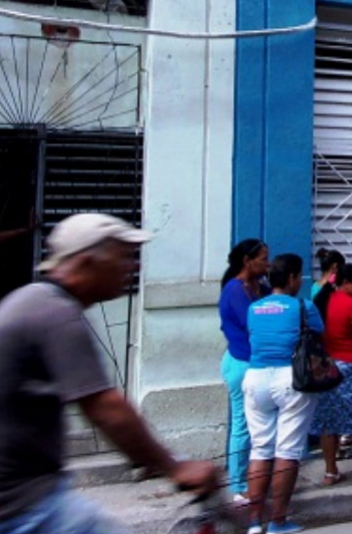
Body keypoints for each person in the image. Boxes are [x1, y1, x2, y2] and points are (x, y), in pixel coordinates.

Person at [0, 214, 218, 534]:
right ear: (88, 262)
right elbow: (107, 409)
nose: (133, 266)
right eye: (124, 256)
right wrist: (176, 467)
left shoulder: (38, 302)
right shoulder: (54, 313)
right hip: (25, 505)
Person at [244, 253, 326, 534]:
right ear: (292, 278)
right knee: (288, 451)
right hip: (290, 378)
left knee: (260, 449)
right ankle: (278, 520)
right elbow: (318, 333)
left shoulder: (254, 308)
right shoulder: (304, 306)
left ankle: (254, 522)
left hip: (255, 378)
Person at [310, 263, 352, 486]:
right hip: (351, 365)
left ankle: (330, 471)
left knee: (328, 422)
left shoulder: (325, 300)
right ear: (346, 283)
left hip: (328, 366)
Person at [218, 238, 270, 502]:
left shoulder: (258, 287)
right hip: (240, 362)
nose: (267, 264)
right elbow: (255, 323)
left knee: (251, 424)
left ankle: (247, 476)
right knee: (242, 424)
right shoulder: (235, 290)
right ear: (248, 261)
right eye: (263, 259)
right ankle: (238, 485)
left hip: (250, 361)